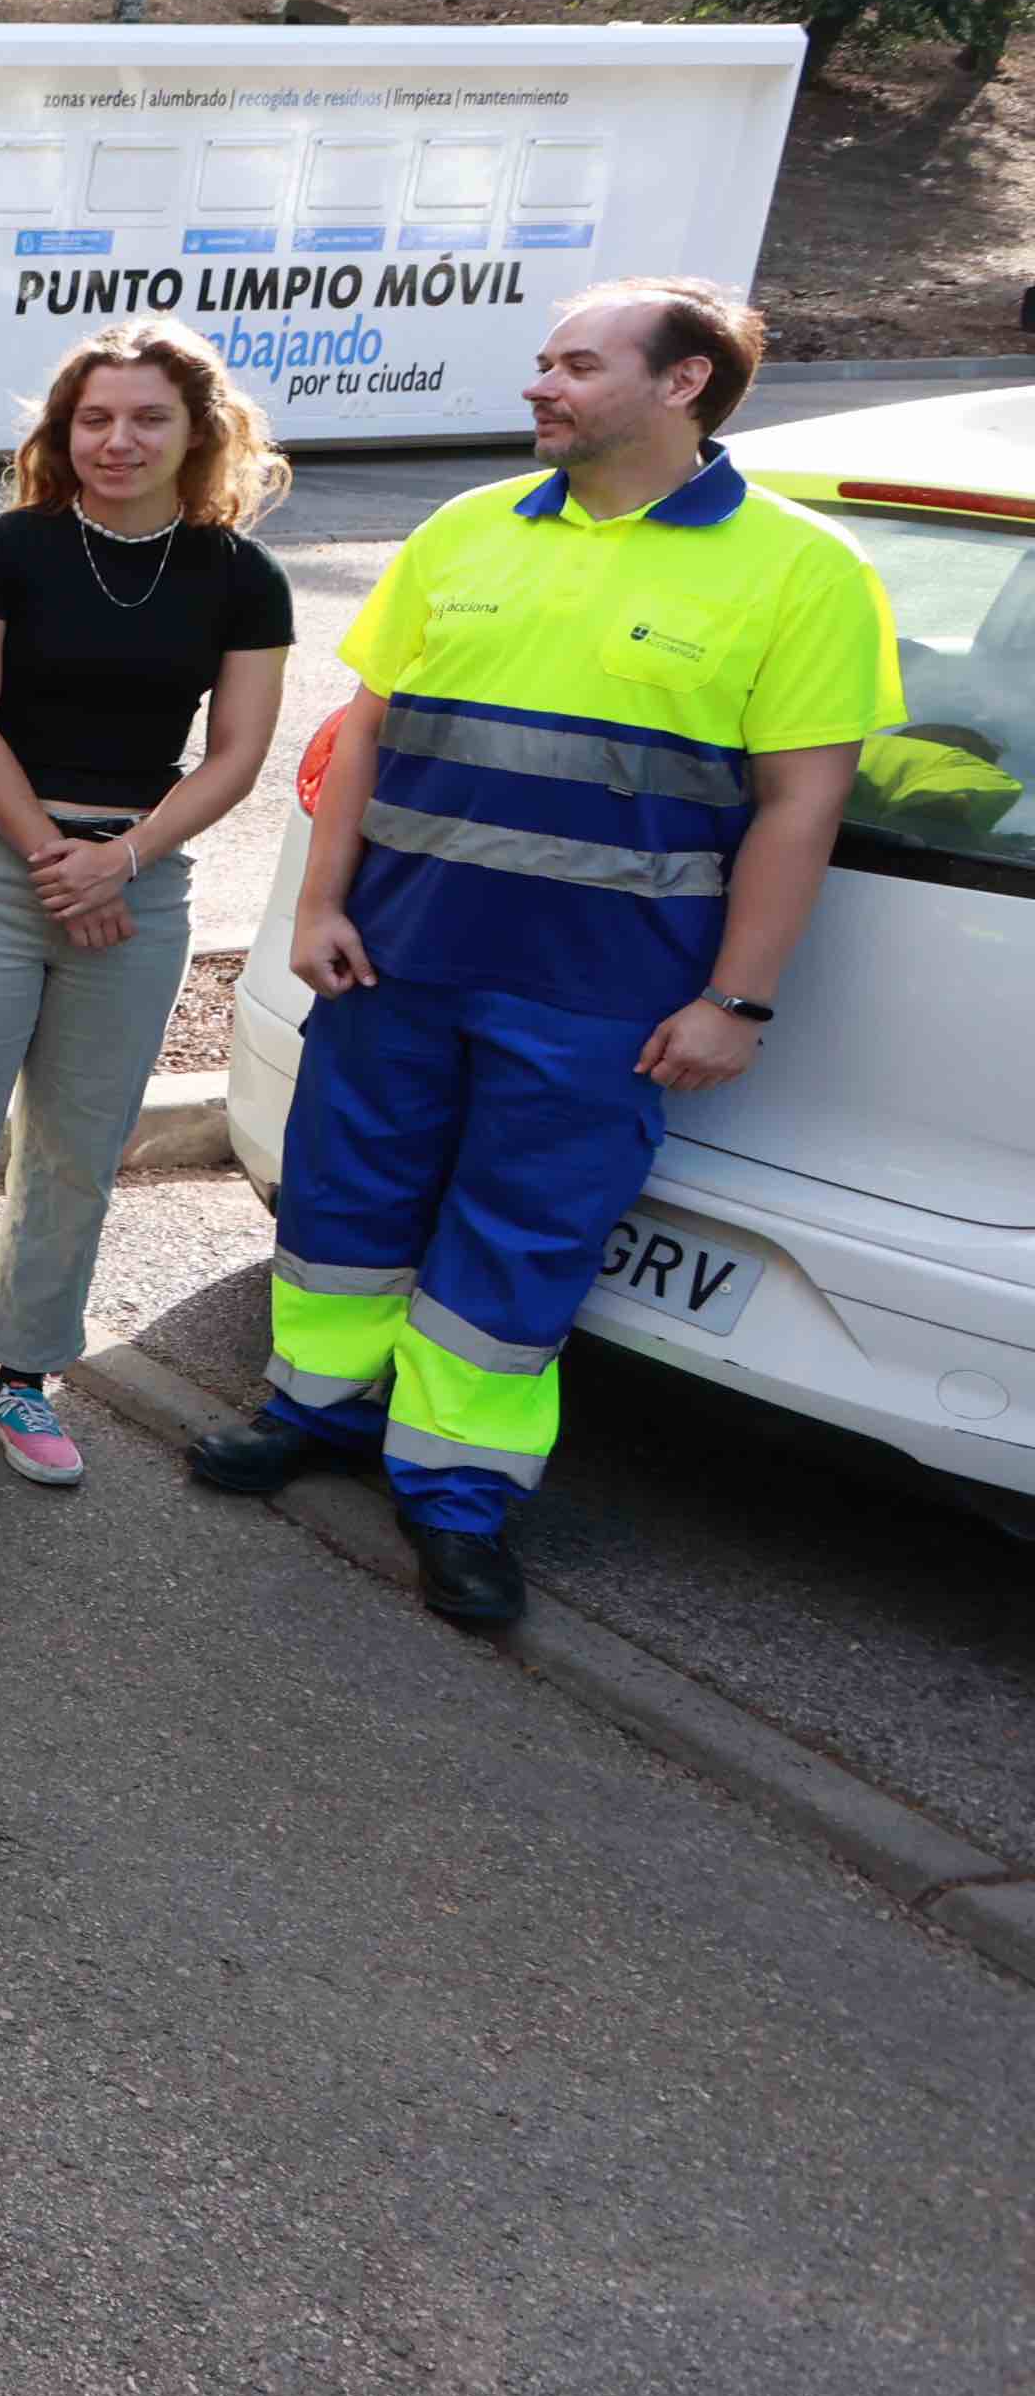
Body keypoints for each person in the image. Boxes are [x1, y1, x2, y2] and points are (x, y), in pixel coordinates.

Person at [207, 285, 898, 1626]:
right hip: (395, 964)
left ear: (683, 383)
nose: (539, 385)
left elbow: (799, 808)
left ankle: (458, 1495)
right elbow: (368, 735)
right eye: (543, 363)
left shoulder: (802, 572)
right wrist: (316, 910)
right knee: (345, 1209)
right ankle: (318, 1414)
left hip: (600, 998)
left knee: (522, 1241)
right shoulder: (466, 528)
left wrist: (736, 998)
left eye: (576, 365)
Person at [0, 327, 294, 1478]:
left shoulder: (239, 575)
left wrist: (119, 863)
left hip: (139, 881)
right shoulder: (6, 551)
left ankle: (24, 1378)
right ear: (61, 433)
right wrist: (53, 858)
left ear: (199, 436)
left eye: (146, 420)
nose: (117, 441)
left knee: (79, 1150)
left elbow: (237, 754)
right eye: (95, 420)